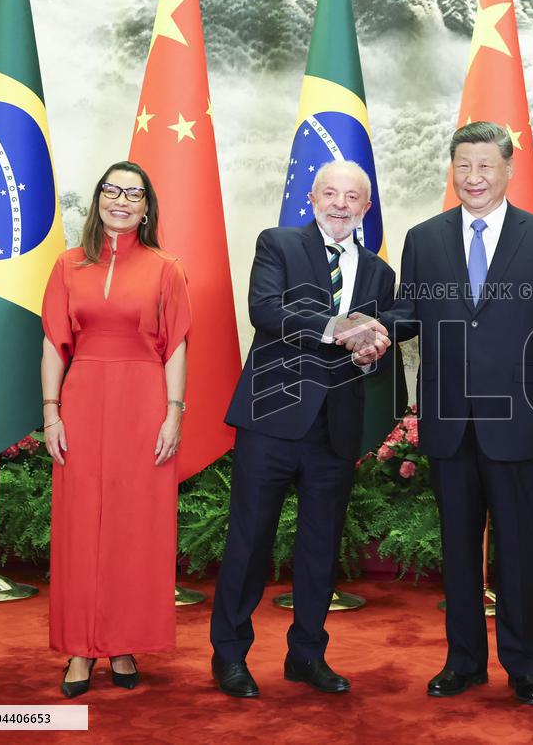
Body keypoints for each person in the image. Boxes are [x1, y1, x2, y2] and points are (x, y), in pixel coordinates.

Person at [381, 121, 533, 706]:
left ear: (507, 169)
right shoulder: (424, 238)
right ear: (453, 169)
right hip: (448, 419)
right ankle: (463, 661)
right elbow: (408, 314)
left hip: (520, 416)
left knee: (518, 548)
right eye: (463, 166)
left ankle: (524, 667)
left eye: (485, 166)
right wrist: (368, 329)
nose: (473, 177)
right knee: (458, 548)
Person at [210, 160, 394, 698]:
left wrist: (368, 353)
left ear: (366, 207)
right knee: (248, 542)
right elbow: (264, 311)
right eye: (330, 193)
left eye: (352, 197)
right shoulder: (279, 244)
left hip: (335, 428)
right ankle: (229, 657)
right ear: (312, 197)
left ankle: (307, 655)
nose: (340, 204)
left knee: (320, 547)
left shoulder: (380, 273)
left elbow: (374, 346)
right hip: (271, 418)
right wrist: (336, 328)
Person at [41, 161, 190, 698]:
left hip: (144, 403)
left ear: (147, 207)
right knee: (81, 527)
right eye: (112, 190)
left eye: (133, 194)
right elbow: (53, 343)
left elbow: (176, 346)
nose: (121, 200)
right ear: (98, 199)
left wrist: (174, 412)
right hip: (81, 402)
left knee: (133, 528)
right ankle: (81, 650)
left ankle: (123, 642)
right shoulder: (67, 265)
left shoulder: (166, 267)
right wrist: (51, 411)